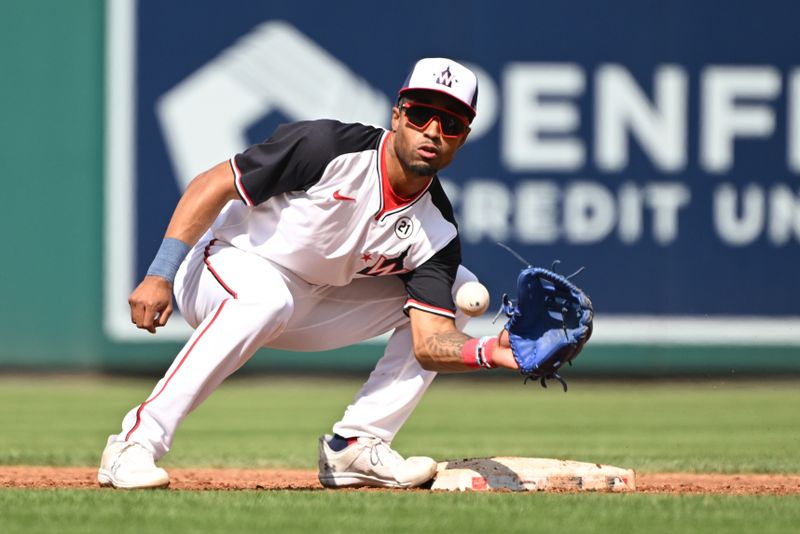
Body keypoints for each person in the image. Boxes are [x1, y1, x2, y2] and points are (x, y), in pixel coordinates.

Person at [98, 57, 519, 490]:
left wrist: (491, 351)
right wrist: (160, 273)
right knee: (265, 298)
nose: (432, 130)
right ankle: (134, 444)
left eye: (450, 122)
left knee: (457, 286)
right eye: (420, 113)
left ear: (463, 137)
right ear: (397, 116)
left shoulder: (437, 229)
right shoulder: (328, 147)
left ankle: (356, 445)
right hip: (222, 264)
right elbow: (212, 183)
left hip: (313, 302)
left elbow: (430, 342)